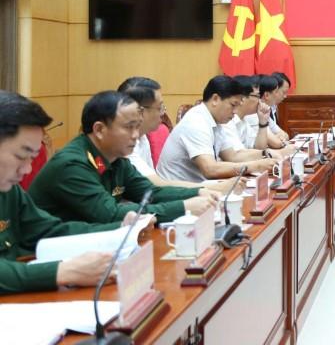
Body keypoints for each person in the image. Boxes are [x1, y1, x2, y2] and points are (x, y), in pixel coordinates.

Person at [0, 91, 140, 294]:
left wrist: (121, 230)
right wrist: (62, 271)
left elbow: (49, 230)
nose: (27, 169)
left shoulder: (8, 190)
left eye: (32, 157)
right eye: (21, 155)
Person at [28, 91, 217, 224]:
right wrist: (184, 207)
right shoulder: (72, 164)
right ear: (99, 129)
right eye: (129, 127)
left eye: (137, 126)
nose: (136, 135)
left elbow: (149, 193)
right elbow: (110, 214)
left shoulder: (116, 158)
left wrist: (198, 193)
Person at [118, 77, 236, 194]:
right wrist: (211, 188)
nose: (162, 113)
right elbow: (154, 184)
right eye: (160, 108)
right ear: (140, 112)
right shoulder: (124, 143)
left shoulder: (142, 137)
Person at [156, 75, 277, 182]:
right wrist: (256, 166)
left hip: (202, 189)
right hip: (179, 195)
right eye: (233, 105)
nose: (235, 112)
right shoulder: (196, 122)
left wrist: (265, 154)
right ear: (215, 99)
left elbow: (233, 156)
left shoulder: (215, 120)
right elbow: (210, 169)